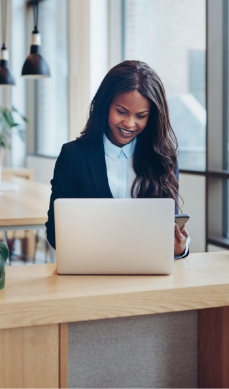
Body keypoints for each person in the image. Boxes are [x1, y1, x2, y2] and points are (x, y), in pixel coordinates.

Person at [45, 60, 190, 258]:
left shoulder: (163, 159)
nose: (130, 123)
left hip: (147, 272)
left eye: (141, 116)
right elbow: (55, 233)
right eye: (121, 112)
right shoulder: (73, 156)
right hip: (90, 269)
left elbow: (169, 228)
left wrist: (180, 249)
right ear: (105, 106)